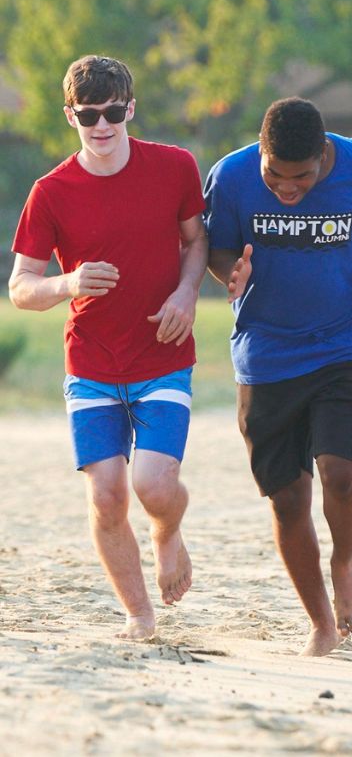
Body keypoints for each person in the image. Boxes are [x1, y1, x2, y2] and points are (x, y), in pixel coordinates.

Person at [9, 55, 208, 641]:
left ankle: (168, 532)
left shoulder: (174, 167)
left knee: (152, 486)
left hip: (162, 354)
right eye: (89, 114)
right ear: (70, 115)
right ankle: (139, 617)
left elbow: (197, 242)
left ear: (131, 109)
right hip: (91, 363)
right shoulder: (50, 192)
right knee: (105, 494)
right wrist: (66, 284)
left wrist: (186, 293)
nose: (102, 125)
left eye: (113, 112)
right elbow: (21, 286)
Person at [203, 96, 352, 656]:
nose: (287, 188)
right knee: (288, 499)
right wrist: (232, 272)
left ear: (323, 153)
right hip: (266, 352)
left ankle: (346, 561)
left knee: (341, 471)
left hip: (349, 340)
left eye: (302, 177)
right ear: (261, 154)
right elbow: (217, 248)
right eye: (276, 174)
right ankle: (320, 623)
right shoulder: (232, 174)